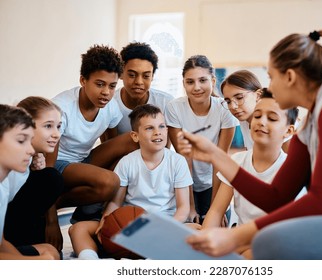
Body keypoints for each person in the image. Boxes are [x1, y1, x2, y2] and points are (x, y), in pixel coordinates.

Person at [176, 30, 322, 259]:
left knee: (271, 241)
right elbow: (276, 196)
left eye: (271, 76)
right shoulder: (311, 125)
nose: (269, 87)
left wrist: (235, 237)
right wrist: (214, 155)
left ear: (289, 77)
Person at [68, 104, 192, 259]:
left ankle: (151, 259)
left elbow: (183, 208)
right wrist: (106, 221)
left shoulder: (177, 162)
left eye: (162, 126)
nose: (157, 132)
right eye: (149, 128)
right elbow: (115, 203)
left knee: (198, 230)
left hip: (162, 222)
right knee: (78, 229)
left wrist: (164, 229)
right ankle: (90, 261)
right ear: (135, 136)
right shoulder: (127, 162)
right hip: (129, 223)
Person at [46, 44, 138, 223]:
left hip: (83, 160)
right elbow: (47, 170)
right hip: (56, 165)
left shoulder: (110, 107)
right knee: (109, 181)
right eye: (100, 84)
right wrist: (51, 221)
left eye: (112, 86)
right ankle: (54, 203)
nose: (106, 92)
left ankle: (92, 208)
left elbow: (113, 146)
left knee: (133, 141)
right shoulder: (61, 108)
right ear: (83, 80)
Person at [201, 89, 298, 258]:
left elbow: (282, 229)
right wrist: (204, 239)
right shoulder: (238, 160)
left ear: (288, 131)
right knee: (190, 231)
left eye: (272, 118)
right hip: (239, 237)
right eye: (258, 116)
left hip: (269, 242)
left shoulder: (291, 169)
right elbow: (216, 211)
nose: (261, 122)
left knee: (250, 254)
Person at [165, 55, 239, 224]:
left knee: (216, 223)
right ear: (183, 83)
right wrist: (190, 206)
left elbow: (220, 159)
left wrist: (215, 210)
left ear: (213, 81)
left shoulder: (223, 109)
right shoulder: (174, 108)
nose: (197, 87)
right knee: (188, 224)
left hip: (213, 183)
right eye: (190, 82)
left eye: (202, 80)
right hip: (182, 182)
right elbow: (185, 159)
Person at [4, 97, 64, 253]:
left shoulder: (31, 159)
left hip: (8, 237)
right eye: (48, 126)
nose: (56, 134)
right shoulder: (6, 172)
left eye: (58, 127)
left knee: (51, 253)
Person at [102, 42, 174, 141]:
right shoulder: (108, 103)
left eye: (146, 76)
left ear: (152, 76)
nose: (139, 82)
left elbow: (165, 150)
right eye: (132, 75)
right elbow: (108, 147)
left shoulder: (166, 103)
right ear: (121, 74)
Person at [220, 70, 262, 151]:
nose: (233, 106)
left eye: (239, 98)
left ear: (258, 95)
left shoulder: (275, 122)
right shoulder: (244, 120)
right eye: (228, 102)